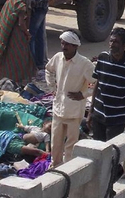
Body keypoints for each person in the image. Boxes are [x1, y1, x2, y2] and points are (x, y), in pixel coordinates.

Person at [45, 31, 95, 167]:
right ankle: (55, 166)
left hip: (74, 110)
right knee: (56, 143)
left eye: (67, 44)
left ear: (75, 46)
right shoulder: (57, 57)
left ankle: (67, 170)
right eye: (62, 43)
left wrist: (84, 95)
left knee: (70, 145)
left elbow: (98, 83)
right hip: (58, 108)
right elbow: (48, 70)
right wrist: (52, 87)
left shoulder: (85, 64)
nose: (64, 47)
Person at [0, 0, 35, 86]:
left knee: (8, 56)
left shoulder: (11, 1)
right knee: (20, 56)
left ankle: (5, 76)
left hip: (8, 34)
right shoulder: (21, 6)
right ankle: (18, 79)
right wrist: (27, 33)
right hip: (17, 35)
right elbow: (21, 23)